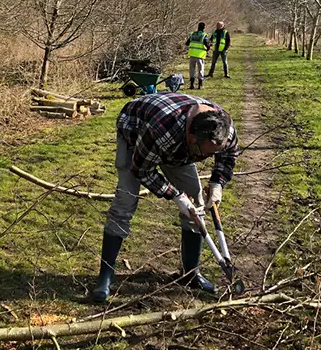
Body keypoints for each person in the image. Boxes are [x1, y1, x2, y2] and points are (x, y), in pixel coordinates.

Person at [91, 92, 240, 303]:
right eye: (202, 153)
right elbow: (142, 170)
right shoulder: (163, 130)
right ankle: (105, 277)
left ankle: (190, 275)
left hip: (175, 147)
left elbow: (228, 155)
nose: (205, 158)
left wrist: (217, 183)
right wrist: (176, 195)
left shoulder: (225, 129)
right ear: (191, 136)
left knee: (196, 206)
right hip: (135, 132)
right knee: (124, 204)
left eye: (210, 154)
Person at [185, 23, 211, 90]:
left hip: (192, 54)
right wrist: (207, 50)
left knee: (192, 70)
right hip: (200, 55)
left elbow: (187, 43)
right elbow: (207, 45)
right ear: (204, 28)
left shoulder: (192, 34)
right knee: (200, 70)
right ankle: (200, 85)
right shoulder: (204, 35)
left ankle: (191, 85)